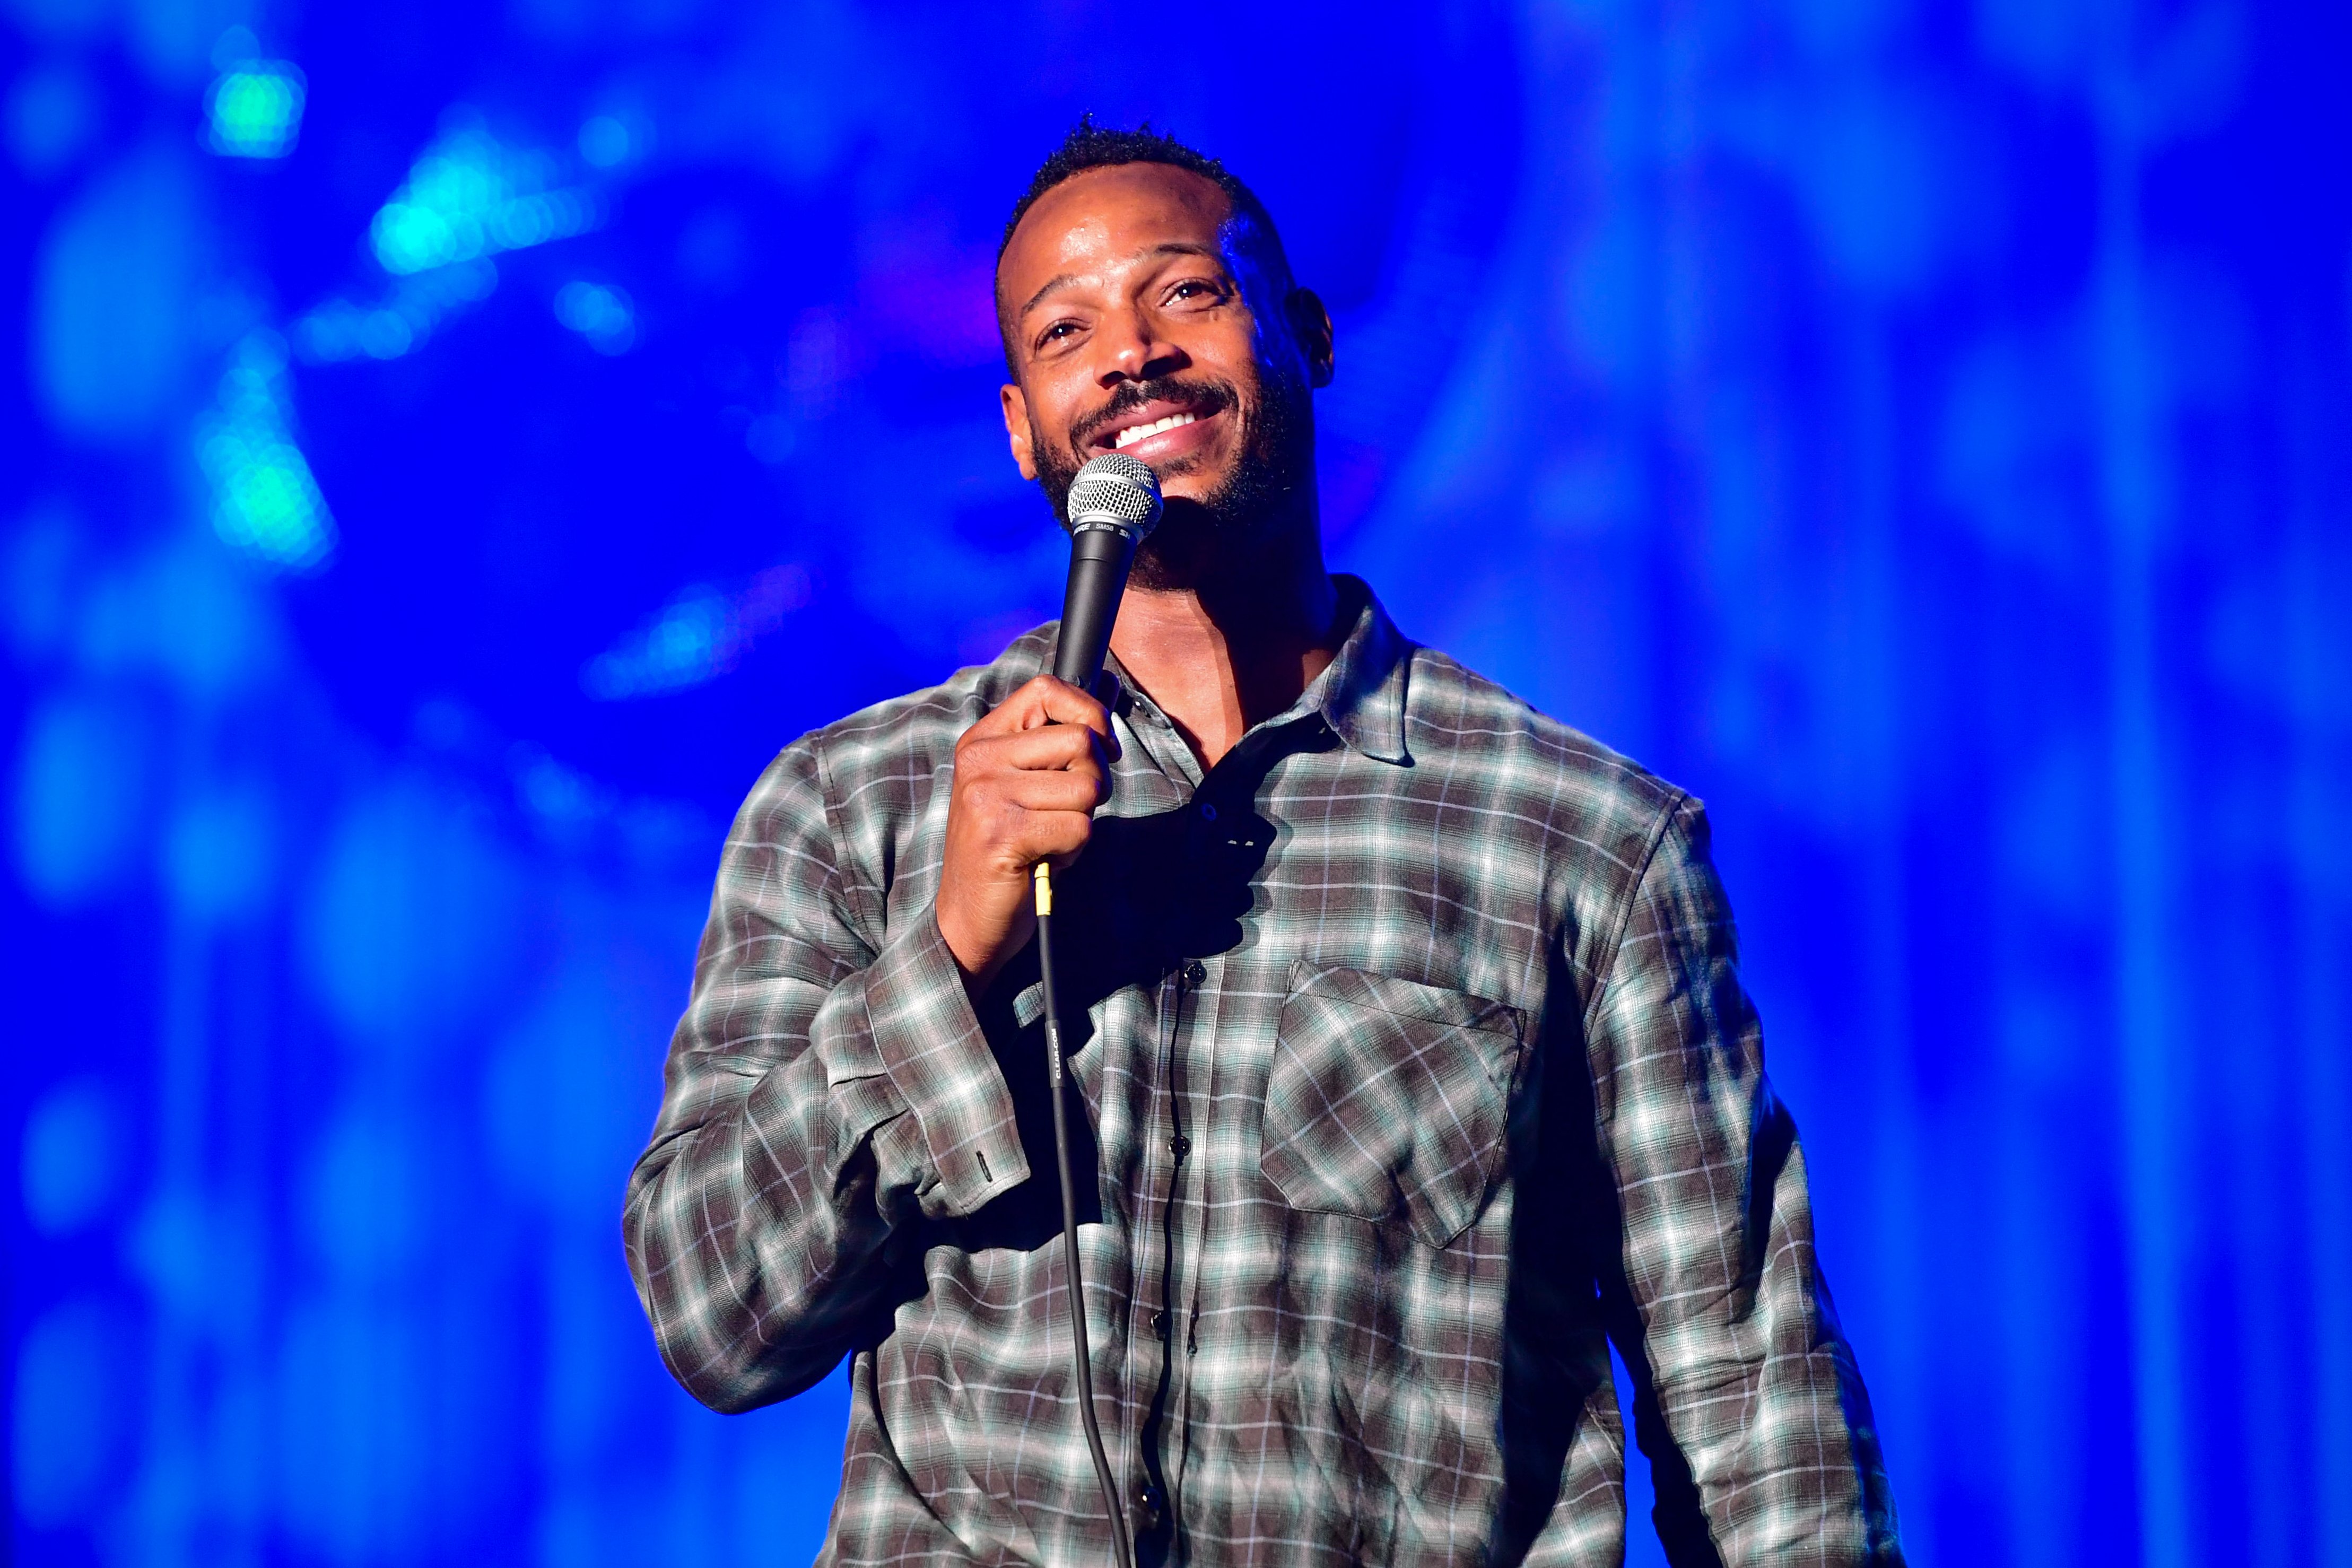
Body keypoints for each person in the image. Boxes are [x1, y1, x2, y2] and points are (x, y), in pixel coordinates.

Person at [624, 123, 1902, 1567]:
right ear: (1023, 425)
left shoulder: (1579, 838)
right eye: (1065, 330)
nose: (1130, 356)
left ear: (1301, 336)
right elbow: (715, 1318)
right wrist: (951, 952)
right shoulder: (854, 802)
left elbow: (1745, 1381)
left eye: (1183, 295)